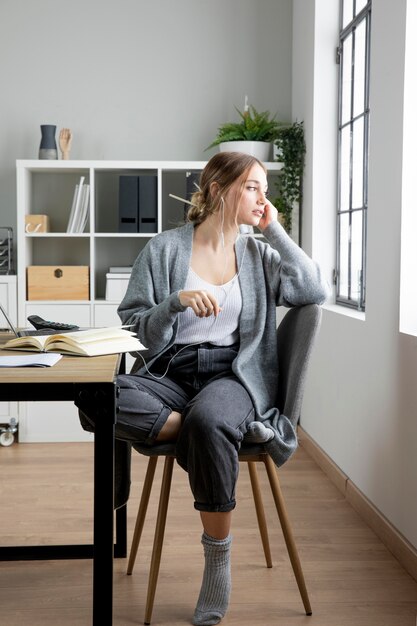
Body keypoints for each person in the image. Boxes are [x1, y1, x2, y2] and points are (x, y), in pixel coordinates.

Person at [79, 151, 328, 626]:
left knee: (212, 417)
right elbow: (133, 328)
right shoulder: (164, 249)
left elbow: (313, 291)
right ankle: (196, 430)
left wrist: (275, 228)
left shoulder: (259, 254)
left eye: (264, 187)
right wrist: (174, 303)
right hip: (167, 374)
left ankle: (217, 564)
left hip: (233, 375)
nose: (262, 197)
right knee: (98, 393)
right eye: (252, 187)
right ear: (218, 190)